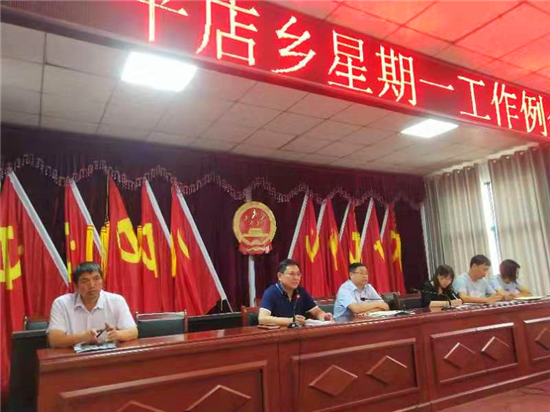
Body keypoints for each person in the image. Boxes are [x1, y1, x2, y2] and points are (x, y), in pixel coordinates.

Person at [48, 261, 138, 348]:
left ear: (102, 281)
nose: (91, 285)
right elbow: (54, 340)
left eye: (96, 279)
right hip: (74, 355)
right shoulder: (61, 304)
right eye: (85, 281)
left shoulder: (116, 300)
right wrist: (83, 337)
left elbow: (133, 332)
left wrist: (116, 334)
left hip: (108, 354)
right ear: (76, 285)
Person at [258, 259, 333, 327]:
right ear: (280, 276)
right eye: (291, 274)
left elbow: (316, 311)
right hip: (279, 334)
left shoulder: (301, 291)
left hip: (299, 333)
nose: (296, 278)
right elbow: (262, 319)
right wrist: (291, 320)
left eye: (298, 274)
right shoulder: (271, 292)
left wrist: (323, 316)